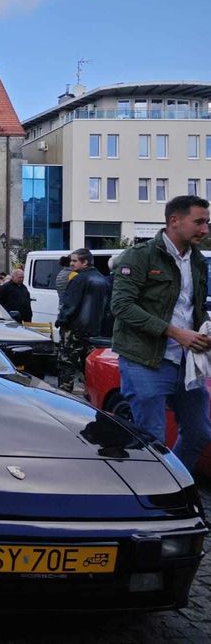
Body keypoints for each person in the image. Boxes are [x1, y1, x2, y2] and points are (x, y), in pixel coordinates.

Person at [111, 195, 211, 473]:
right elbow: (120, 305)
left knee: (199, 433)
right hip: (144, 360)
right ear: (174, 221)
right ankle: (149, 503)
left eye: (208, 223)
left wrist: (202, 332)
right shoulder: (139, 256)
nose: (205, 230)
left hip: (186, 363)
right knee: (151, 439)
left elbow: (194, 307)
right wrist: (175, 332)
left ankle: (173, 486)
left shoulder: (198, 261)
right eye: (199, 222)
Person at [56, 249, 111, 393]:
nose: (71, 264)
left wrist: (61, 320)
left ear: (85, 262)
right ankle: (91, 394)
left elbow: (70, 305)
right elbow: (108, 308)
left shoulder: (78, 279)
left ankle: (64, 396)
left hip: (75, 329)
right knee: (90, 366)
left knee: (67, 364)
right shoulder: (103, 280)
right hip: (94, 331)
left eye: (74, 261)